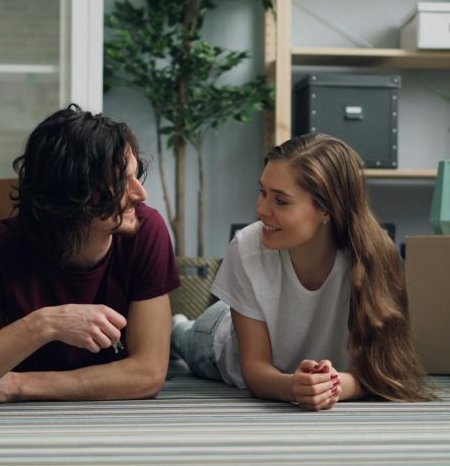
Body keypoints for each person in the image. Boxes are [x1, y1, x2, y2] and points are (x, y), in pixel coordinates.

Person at [0, 105, 180, 407]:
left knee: (207, 342)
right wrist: (45, 324)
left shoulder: (146, 230)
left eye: (136, 177)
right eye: (120, 183)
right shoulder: (1, 246)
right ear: (72, 192)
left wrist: (19, 385)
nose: (140, 194)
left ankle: (185, 332)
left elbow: (147, 374)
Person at [172, 133, 435, 410]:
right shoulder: (247, 247)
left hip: (265, 322)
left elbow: (386, 371)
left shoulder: (375, 257)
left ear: (327, 209)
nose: (261, 209)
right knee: (182, 337)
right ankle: (175, 326)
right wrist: (292, 388)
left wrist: (330, 385)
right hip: (220, 335)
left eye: (281, 201)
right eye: (262, 192)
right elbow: (255, 369)